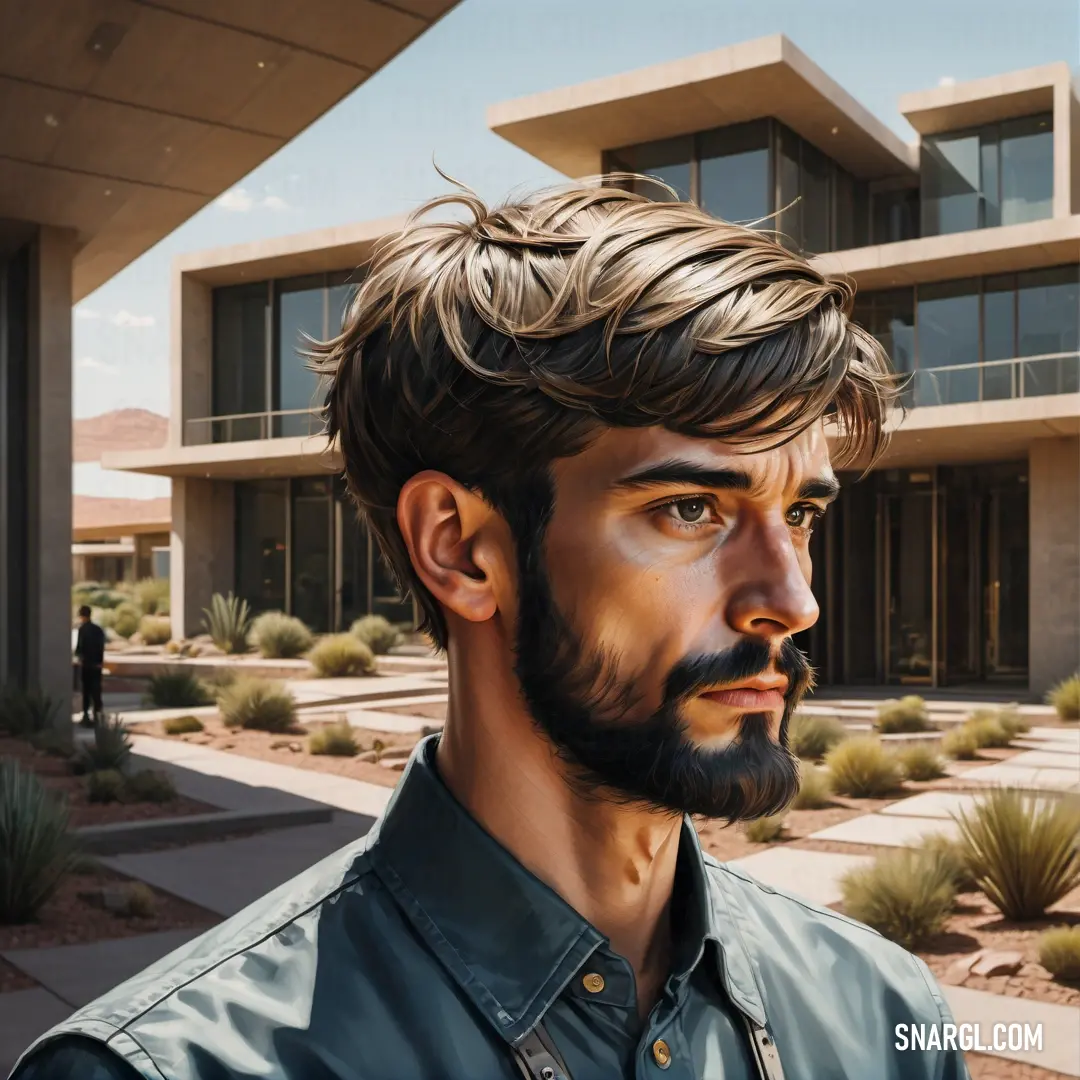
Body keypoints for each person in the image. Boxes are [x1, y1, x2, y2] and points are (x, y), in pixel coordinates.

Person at [10, 182, 969, 1079]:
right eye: (689, 510)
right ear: (463, 551)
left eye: (799, 515)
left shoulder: (885, 1021)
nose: (792, 601)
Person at [74, 604, 106, 727]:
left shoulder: (82, 630)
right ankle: (98, 715)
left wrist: (79, 658)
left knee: (86, 691)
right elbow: (101, 647)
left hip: (86, 664)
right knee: (96, 690)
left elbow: (79, 648)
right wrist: (99, 661)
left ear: (82, 616)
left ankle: (86, 715)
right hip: (96, 664)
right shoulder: (98, 630)